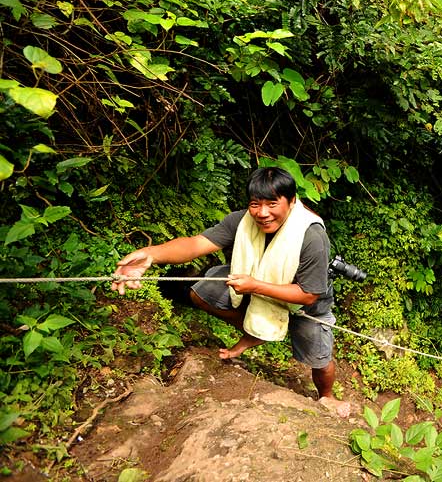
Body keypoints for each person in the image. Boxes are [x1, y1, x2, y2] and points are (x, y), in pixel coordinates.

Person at [113, 167, 353, 418]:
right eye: (255, 204)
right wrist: (151, 255)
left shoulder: (311, 235)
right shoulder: (241, 221)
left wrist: (254, 286)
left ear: (292, 201)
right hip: (255, 284)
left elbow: (308, 294)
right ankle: (255, 332)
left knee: (320, 358)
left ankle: (326, 396)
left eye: (272, 203)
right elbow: (196, 244)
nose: (262, 213)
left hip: (304, 305)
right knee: (203, 289)